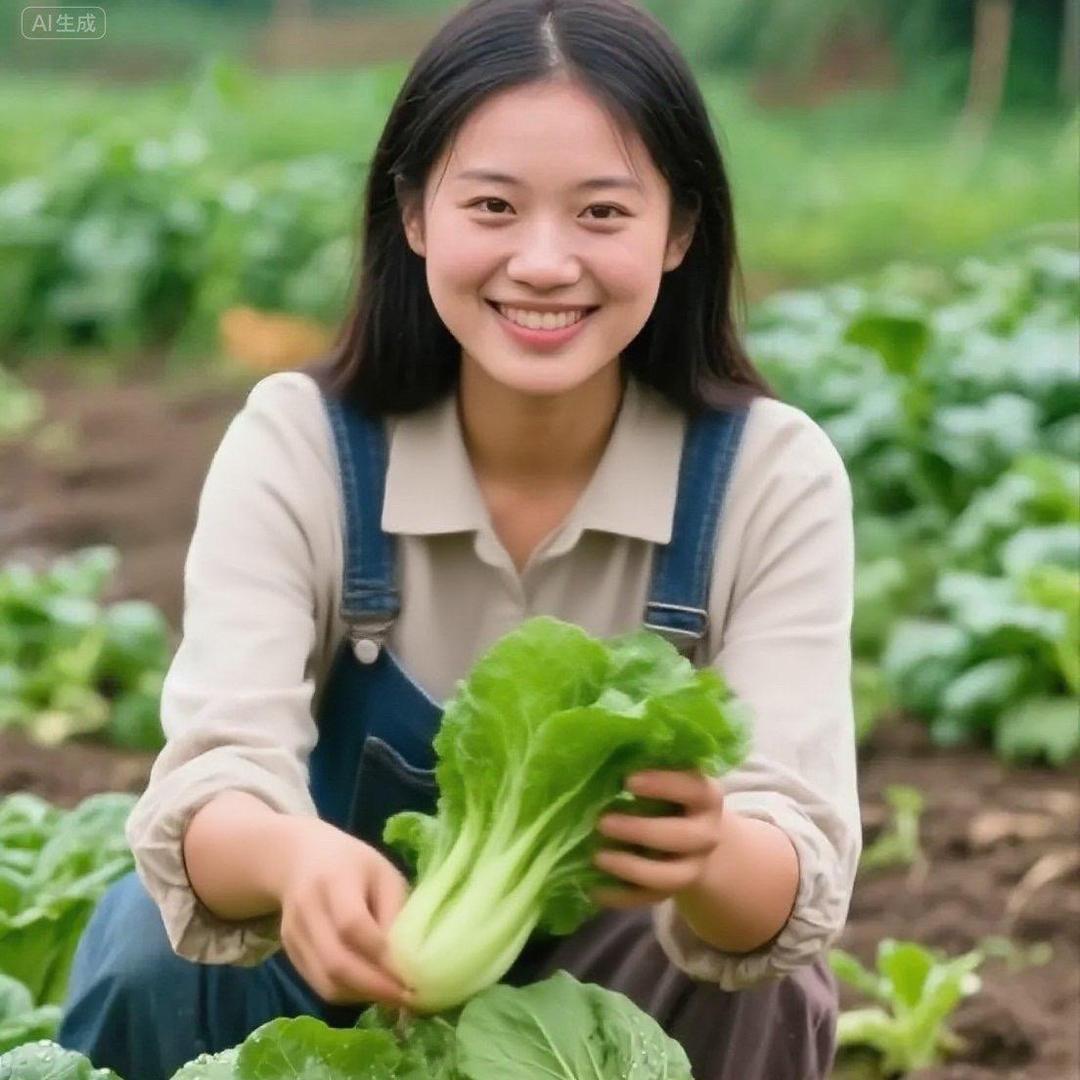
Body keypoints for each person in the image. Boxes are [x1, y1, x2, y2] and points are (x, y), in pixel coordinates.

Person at [56, 0, 861, 1076]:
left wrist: (714, 855)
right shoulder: (305, 443)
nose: (542, 262)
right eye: (492, 204)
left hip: (604, 1002)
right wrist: (295, 861)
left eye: (601, 215)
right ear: (415, 215)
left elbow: (792, 865)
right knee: (147, 949)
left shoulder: (767, 473)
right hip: (334, 970)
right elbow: (214, 784)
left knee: (768, 983)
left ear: (679, 232)